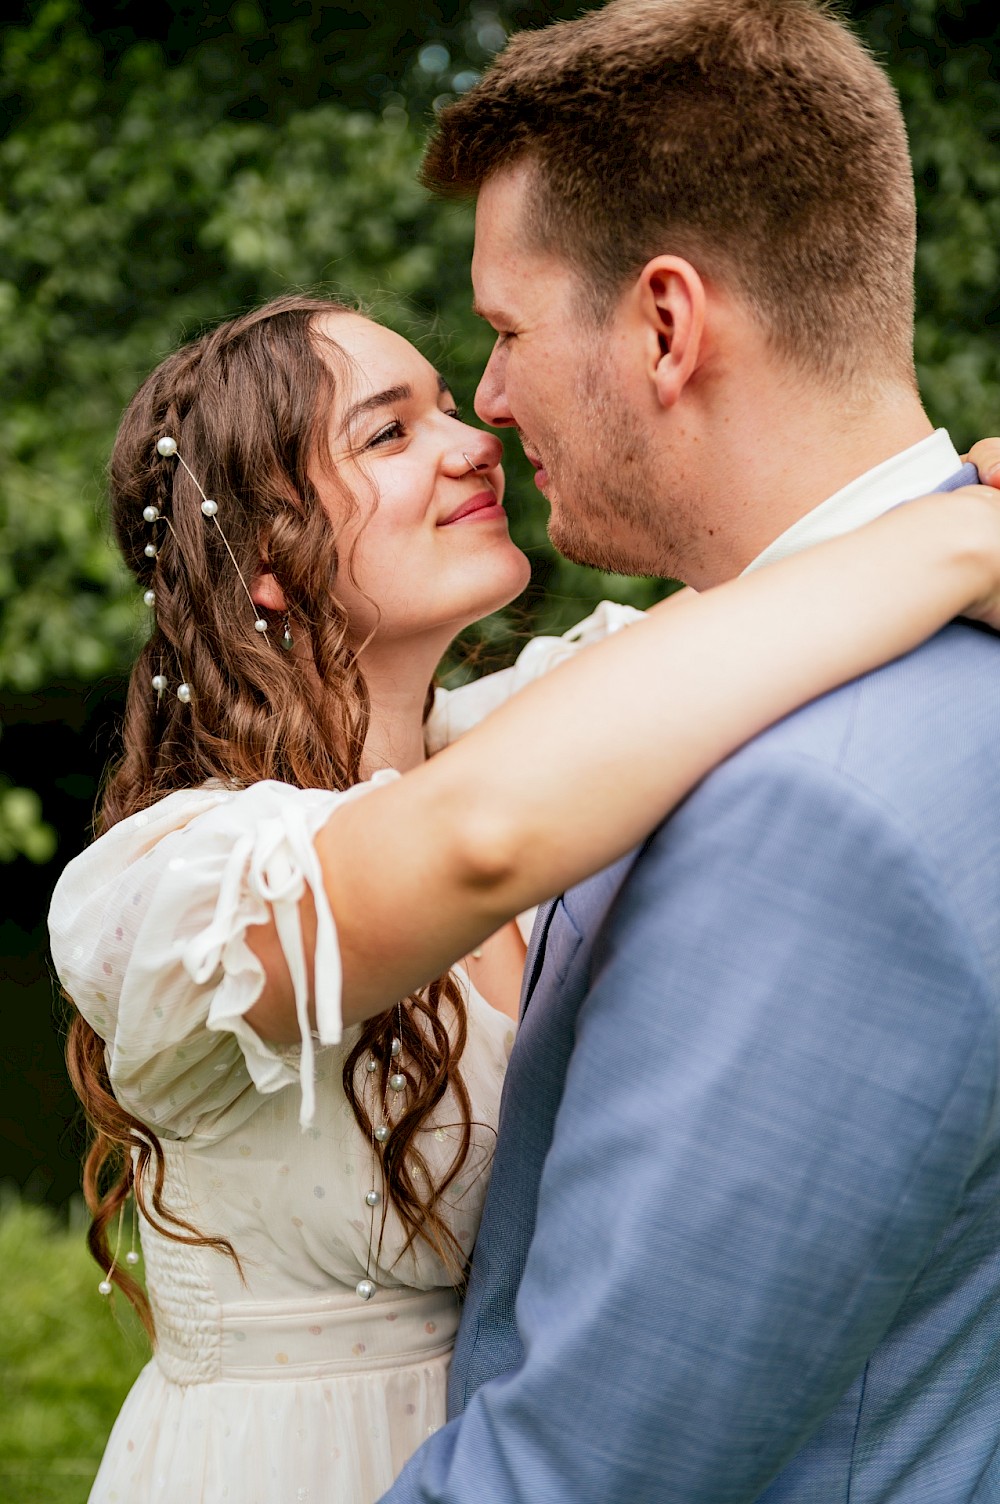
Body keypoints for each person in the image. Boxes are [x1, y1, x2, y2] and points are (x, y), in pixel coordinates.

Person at [48, 291, 1000, 1504]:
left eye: (448, 404)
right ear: (267, 559)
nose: (473, 440)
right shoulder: (167, 887)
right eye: (389, 435)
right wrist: (964, 546)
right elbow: (477, 841)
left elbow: (788, 589)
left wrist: (956, 490)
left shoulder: (526, 727)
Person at [380, 2, 1000, 1501]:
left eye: (510, 330)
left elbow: (579, 1472)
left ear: (667, 324)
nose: (490, 398)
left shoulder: (817, 809)